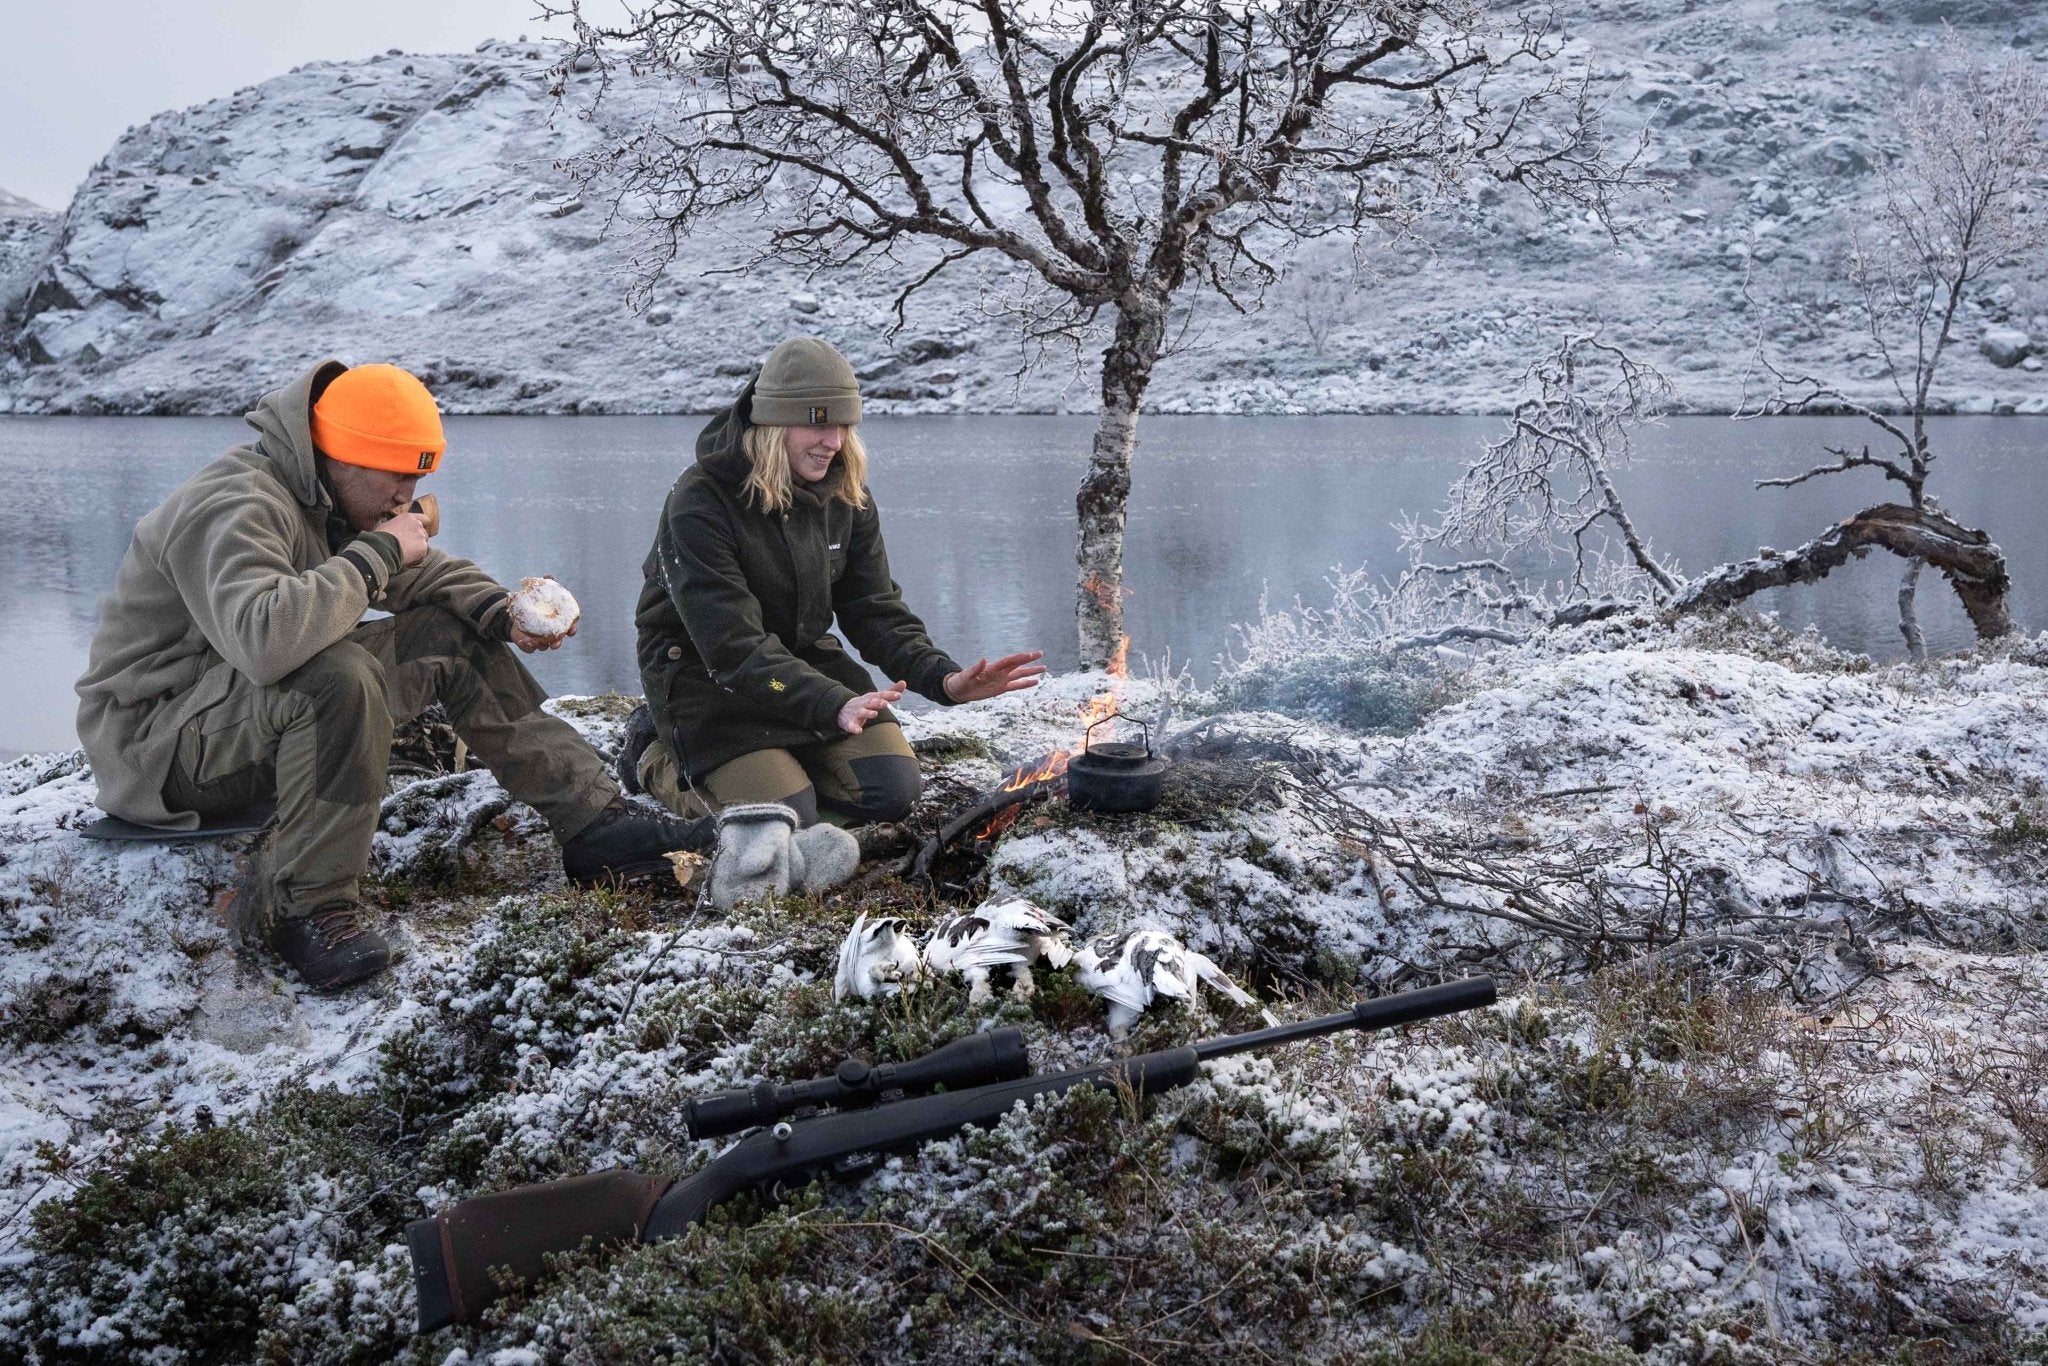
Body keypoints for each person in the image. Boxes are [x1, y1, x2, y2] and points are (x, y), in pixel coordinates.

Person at [75, 361, 715, 992]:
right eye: (397, 476)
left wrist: (500, 612)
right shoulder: (236, 503)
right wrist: (377, 552)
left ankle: (595, 825)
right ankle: (311, 909)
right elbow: (266, 642)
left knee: (450, 635)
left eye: (418, 476)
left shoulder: (324, 497)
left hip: (234, 718)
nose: (406, 497)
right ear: (345, 456)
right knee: (338, 673)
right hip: (160, 748)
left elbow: (420, 573)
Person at [628, 336, 1043, 826]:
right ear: (772, 423)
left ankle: (777, 767)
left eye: (845, 424)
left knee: (892, 793)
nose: (835, 442)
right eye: (817, 423)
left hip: (802, 661)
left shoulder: (846, 491)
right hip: (706, 676)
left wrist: (945, 680)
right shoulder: (698, 500)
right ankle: (654, 756)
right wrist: (833, 703)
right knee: (779, 816)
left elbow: (874, 609)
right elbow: (732, 647)